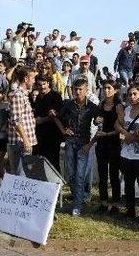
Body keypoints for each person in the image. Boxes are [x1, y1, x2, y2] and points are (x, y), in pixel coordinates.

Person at [52, 78, 99, 217]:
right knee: (71, 174)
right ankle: (79, 196)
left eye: (80, 90)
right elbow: (57, 118)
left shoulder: (92, 106)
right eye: (75, 89)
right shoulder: (67, 104)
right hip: (70, 141)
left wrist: (97, 121)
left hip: (84, 143)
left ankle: (77, 205)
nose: (77, 92)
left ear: (86, 91)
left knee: (79, 175)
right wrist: (63, 130)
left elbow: (99, 125)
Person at [115, 84, 139, 222]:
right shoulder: (126, 110)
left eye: (135, 94)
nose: (131, 97)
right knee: (128, 183)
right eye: (130, 94)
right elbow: (117, 125)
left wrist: (134, 138)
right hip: (126, 154)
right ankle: (130, 210)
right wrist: (127, 134)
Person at [94, 79, 123, 214]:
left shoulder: (119, 106)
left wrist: (106, 134)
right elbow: (98, 121)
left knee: (113, 174)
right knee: (102, 174)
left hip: (114, 143)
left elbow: (120, 128)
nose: (106, 90)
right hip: (101, 144)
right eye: (104, 88)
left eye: (109, 88)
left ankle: (116, 203)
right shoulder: (101, 104)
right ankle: (103, 202)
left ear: (115, 90)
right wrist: (96, 120)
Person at [7, 66, 37, 174]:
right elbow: (16, 120)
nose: (34, 81)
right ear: (26, 79)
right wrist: (26, 140)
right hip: (20, 142)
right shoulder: (18, 95)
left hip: (24, 141)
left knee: (24, 173)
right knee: (20, 175)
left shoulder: (24, 95)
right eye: (32, 78)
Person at [31, 74, 63, 171]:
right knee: (39, 161)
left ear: (48, 83)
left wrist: (41, 120)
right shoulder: (38, 98)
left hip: (53, 135)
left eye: (44, 84)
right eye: (39, 85)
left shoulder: (56, 96)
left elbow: (56, 116)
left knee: (53, 161)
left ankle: (56, 184)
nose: (42, 87)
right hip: (39, 135)